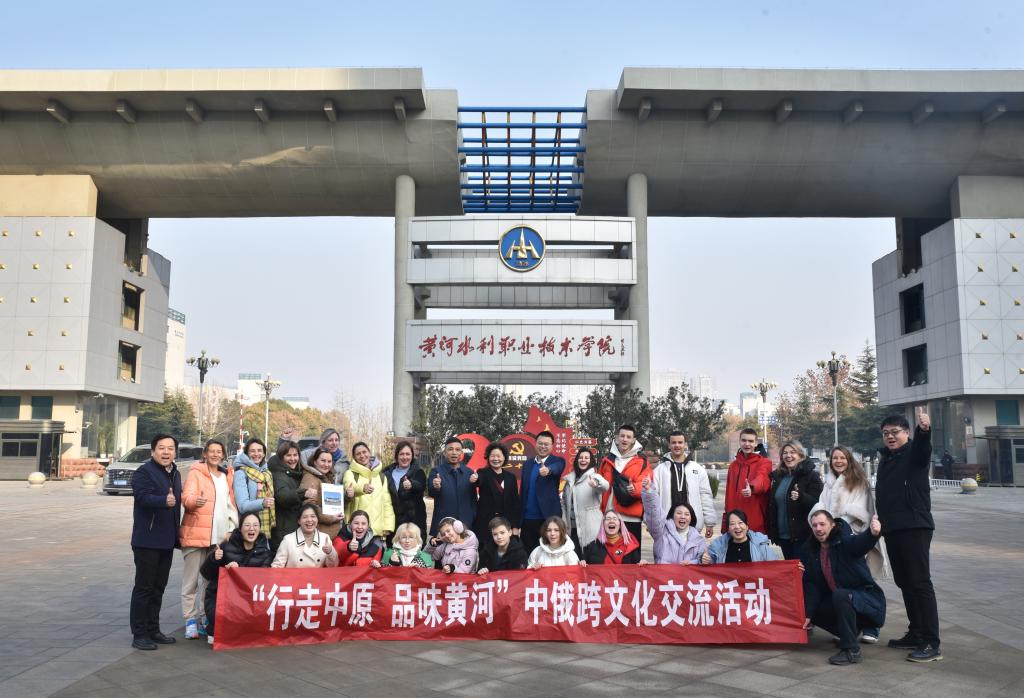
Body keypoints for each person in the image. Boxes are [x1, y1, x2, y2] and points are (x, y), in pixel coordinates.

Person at [875, 409, 941, 662]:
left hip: (914, 526)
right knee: (905, 582)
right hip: (893, 528)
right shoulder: (887, 458)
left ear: (906, 433)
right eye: (886, 433)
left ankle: (931, 642)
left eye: (895, 432)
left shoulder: (914, 453)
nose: (890, 437)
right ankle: (916, 632)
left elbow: (923, 449)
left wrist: (924, 431)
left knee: (920, 583)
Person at [800, 509, 887, 666]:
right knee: (813, 609)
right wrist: (808, 614)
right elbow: (813, 585)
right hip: (844, 603)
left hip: (867, 601)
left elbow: (859, 544)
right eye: (814, 525)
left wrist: (872, 534)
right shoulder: (812, 550)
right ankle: (850, 632)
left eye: (822, 524)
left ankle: (851, 650)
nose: (818, 528)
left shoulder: (844, 541)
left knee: (841, 595)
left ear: (832, 525)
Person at [179, 439, 237, 640]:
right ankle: (190, 620)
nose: (215, 454)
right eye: (211, 451)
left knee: (209, 581)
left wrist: (231, 528)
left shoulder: (226, 476)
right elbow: (186, 498)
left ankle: (205, 618)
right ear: (205, 453)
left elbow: (230, 504)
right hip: (196, 535)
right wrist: (194, 501)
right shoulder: (196, 472)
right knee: (191, 582)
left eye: (218, 451)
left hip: (217, 539)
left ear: (223, 454)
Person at [129, 434, 182, 650]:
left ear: (175, 452)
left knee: (159, 588)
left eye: (170, 448)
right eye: (161, 448)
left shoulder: (175, 473)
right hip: (147, 541)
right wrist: (163, 501)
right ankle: (139, 634)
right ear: (153, 451)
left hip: (166, 541)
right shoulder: (144, 472)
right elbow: (141, 497)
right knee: (144, 588)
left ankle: (153, 629)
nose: (166, 452)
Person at [199, 511, 272, 646]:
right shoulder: (226, 547)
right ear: (240, 528)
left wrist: (240, 570)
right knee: (218, 632)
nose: (251, 529)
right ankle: (214, 627)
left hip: (250, 599)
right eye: (247, 525)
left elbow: (264, 579)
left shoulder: (265, 552)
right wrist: (213, 558)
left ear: (260, 528)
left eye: (255, 525)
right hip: (224, 598)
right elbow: (206, 574)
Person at [652, 432, 717, 540]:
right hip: (666, 527)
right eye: (673, 442)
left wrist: (709, 522)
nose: (677, 445)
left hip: (692, 526)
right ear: (669, 445)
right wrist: (651, 521)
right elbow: (653, 498)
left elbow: (705, 496)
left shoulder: (697, 469)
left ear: (685, 444)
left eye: (680, 442)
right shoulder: (659, 470)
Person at [768, 441, 824, 560]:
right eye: (785, 453)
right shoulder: (778, 477)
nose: (788, 456)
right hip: (783, 537)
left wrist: (801, 497)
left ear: (800, 455)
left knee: (803, 569)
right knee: (791, 569)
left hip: (803, 536)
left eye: (792, 452)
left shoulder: (811, 476)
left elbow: (818, 503)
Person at [598, 424, 651, 543]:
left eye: (628, 437)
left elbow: (646, 481)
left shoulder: (642, 461)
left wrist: (635, 488)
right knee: (609, 551)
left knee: (632, 551)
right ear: (617, 438)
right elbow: (600, 486)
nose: (625, 439)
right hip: (609, 515)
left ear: (633, 440)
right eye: (622, 436)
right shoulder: (607, 460)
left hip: (631, 516)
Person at [517, 431, 566, 554]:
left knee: (549, 553)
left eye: (546, 444)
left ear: (552, 446)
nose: (543, 446)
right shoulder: (528, 464)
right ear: (536, 444)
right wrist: (518, 521)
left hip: (547, 518)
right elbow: (523, 491)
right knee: (528, 554)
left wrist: (548, 470)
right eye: (540, 443)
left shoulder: (558, 461)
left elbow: (557, 468)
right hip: (527, 519)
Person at [641, 476, 706, 564]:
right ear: (672, 516)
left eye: (687, 514)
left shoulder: (698, 539)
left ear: (691, 518)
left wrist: (692, 562)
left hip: (687, 573)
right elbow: (654, 514)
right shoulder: (661, 532)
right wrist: (650, 492)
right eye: (679, 513)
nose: (683, 516)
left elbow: (703, 561)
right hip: (664, 573)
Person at [722, 428, 772, 534]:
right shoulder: (733, 466)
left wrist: (752, 488)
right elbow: (728, 497)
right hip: (734, 524)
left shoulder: (764, 463)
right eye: (744, 440)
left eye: (750, 441)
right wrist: (725, 524)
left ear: (756, 443)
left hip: (755, 523)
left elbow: (762, 479)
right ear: (740, 441)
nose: (747, 444)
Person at [343, 442, 395, 539]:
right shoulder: (350, 473)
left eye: (364, 452)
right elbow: (350, 487)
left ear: (369, 452)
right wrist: (362, 488)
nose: (362, 456)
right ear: (354, 457)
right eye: (358, 454)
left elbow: (387, 503)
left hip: (377, 532)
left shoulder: (381, 477)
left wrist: (388, 526)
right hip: (356, 531)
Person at [561, 447, 609, 552]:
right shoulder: (569, 480)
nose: (583, 460)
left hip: (591, 529)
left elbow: (605, 486)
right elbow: (564, 503)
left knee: (592, 559)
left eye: (586, 458)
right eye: (581, 457)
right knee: (575, 559)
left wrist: (596, 484)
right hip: (571, 529)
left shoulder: (594, 477)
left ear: (591, 461)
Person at [472, 443, 521, 544]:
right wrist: (475, 479)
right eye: (492, 456)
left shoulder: (510, 477)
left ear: (504, 458)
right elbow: (479, 480)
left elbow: (515, 503)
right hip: (485, 523)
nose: (495, 459)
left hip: (506, 523)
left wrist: (515, 526)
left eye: (498, 456)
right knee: (486, 550)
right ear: (488, 457)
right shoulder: (483, 473)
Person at [427, 437, 478, 534]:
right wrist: (436, 487)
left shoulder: (469, 473)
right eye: (450, 449)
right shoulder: (436, 471)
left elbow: (473, 500)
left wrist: (473, 517)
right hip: (444, 525)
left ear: (461, 453)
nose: (454, 452)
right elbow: (431, 492)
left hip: (466, 524)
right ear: (444, 452)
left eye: (457, 450)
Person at [383, 441, 427, 543]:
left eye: (408, 454)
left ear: (412, 456)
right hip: (393, 521)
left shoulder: (418, 472)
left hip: (413, 522)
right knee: (393, 549)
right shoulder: (387, 473)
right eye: (401, 454)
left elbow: (421, 486)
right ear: (397, 456)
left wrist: (412, 484)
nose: (405, 457)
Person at [232, 438, 275, 539]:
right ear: (246, 454)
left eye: (259, 451)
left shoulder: (266, 473)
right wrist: (262, 503)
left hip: (263, 525)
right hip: (248, 527)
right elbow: (242, 506)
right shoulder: (241, 473)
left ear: (264, 454)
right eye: (252, 451)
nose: (256, 454)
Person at [272, 503, 339, 568]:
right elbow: (277, 566)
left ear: (317, 519)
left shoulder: (324, 538)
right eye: (305, 517)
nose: (309, 520)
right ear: (299, 521)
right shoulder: (288, 540)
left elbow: (333, 566)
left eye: (313, 516)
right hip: (294, 576)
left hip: (316, 576)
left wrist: (330, 552)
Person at [703, 509, 779, 563]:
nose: (737, 527)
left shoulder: (760, 545)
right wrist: (706, 560)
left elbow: (774, 567)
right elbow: (709, 565)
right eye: (732, 524)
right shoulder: (719, 546)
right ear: (728, 529)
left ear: (747, 526)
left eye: (740, 523)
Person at [278, 426, 350, 484]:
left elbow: (347, 483)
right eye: (330, 440)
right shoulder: (307, 454)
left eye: (336, 440)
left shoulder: (344, 462)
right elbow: (285, 457)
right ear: (323, 442)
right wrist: (284, 440)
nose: (334, 443)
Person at [300, 448, 345, 537]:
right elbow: (309, 506)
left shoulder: (327, 477)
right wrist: (331, 518)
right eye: (323, 461)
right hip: (318, 533)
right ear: (315, 462)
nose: (326, 464)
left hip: (327, 532)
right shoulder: (310, 478)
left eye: (329, 461)